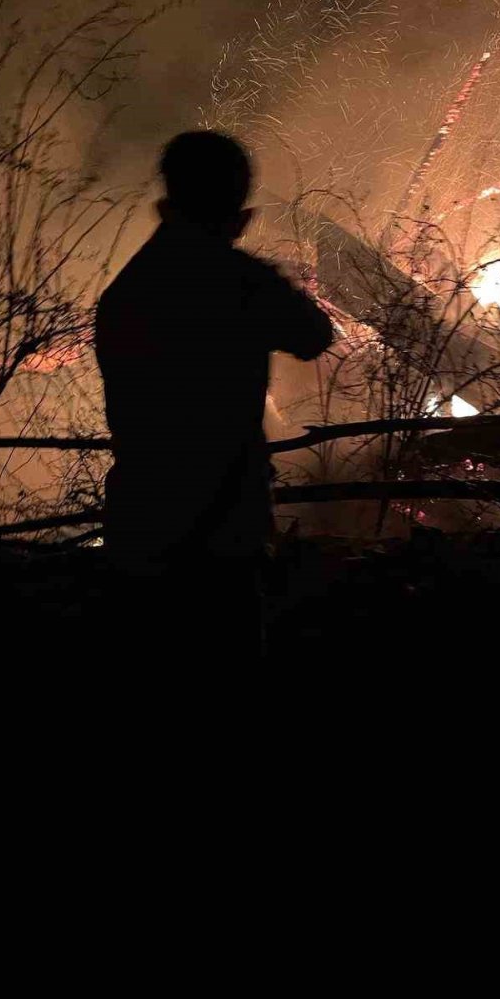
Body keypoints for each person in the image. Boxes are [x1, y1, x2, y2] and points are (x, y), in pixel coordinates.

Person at [95, 130, 334, 663]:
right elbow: (314, 335)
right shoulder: (238, 281)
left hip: (143, 519)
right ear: (234, 203)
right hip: (224, 523)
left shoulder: (128, 289)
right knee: (227, 668)